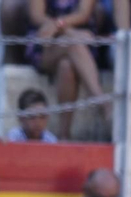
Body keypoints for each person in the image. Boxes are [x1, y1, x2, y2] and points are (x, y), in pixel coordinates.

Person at [26, 0, 106, 141]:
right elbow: (36, 15)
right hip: (47, 43)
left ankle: (63, 135)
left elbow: (83, 14)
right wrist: (65, 30)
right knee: (72, 43)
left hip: (80, 42)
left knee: (66, 66)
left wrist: (60, 27)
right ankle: (101, 101)